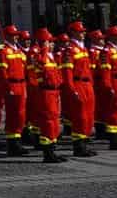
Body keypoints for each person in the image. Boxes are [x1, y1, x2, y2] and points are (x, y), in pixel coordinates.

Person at [24, 28, 66, 165]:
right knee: (48, 121)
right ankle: (47, 152)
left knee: (54, 120)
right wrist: (43, 50)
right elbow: (39, 67)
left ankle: (53, 149)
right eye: (49, 42)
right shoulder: (40, 56)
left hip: (53, 92)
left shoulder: (50, 56)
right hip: (45, 92)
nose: (52, 44)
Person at [63, 26, 97, 158]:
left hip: (87, 84)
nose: (83, 33)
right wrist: (72, 89)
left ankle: (84, 144)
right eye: (80, 31)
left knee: (88, 116)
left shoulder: (83, 48)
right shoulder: (69, 50)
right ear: (73, 33)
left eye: (83, 31)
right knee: (80, 116)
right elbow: (67, 72)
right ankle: (78, 146)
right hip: (78, 84)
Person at [0, 26, 29, 156]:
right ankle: (12, 144)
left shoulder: (19, 51)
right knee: (12, 115)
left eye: (16, 34)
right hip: (12, 85)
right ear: (7, 36)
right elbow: (2, 72)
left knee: (21, 115)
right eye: (14, 34)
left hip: (21, 84)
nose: (16, 37)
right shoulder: (3, 52)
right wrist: (7, 88)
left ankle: (17, 140)